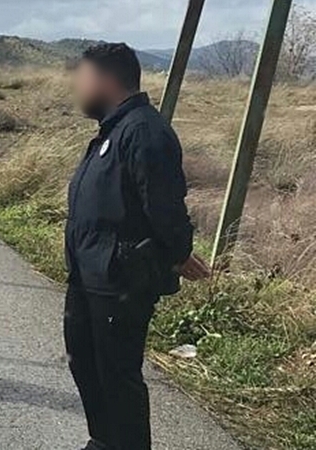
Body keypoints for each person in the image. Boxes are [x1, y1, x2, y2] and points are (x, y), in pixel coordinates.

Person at [64, 43, 210, 450]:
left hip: (120, 281)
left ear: (107, 79)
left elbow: (164, 203)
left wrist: (180, 253)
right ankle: (103, 442)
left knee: (117, 377)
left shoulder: (144, 131)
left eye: (83, 76)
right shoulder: (112, 131)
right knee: (88, 367)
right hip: (89, 276)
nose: (78, 86)